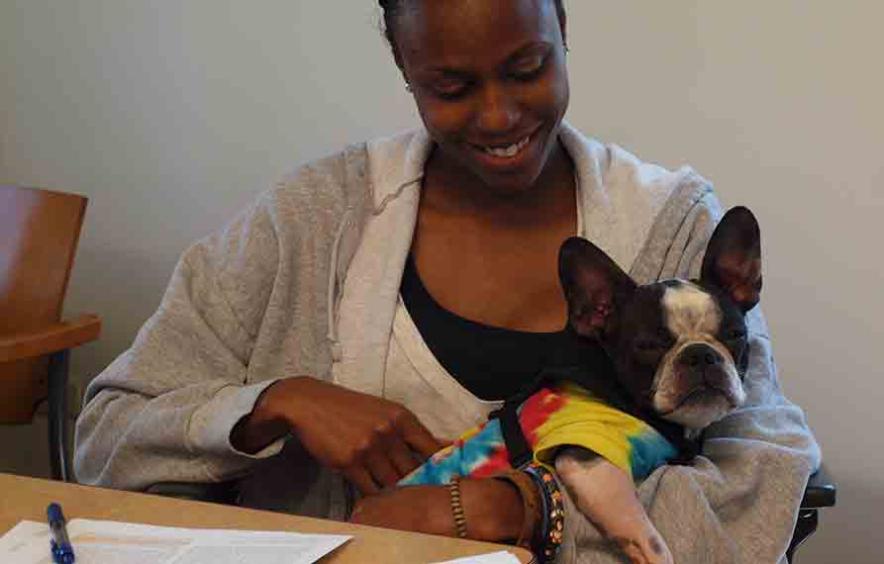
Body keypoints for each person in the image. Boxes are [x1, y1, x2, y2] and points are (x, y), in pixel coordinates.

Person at [74, 1, 821, 562]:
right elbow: (109, 435)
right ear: (405, 72)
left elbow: (765, 471)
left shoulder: (672, 220)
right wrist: (273, 403)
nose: (498, 114)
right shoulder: (315, 216)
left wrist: (529, 508)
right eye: (452, 85)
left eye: (527, 69)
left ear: (564, 33)